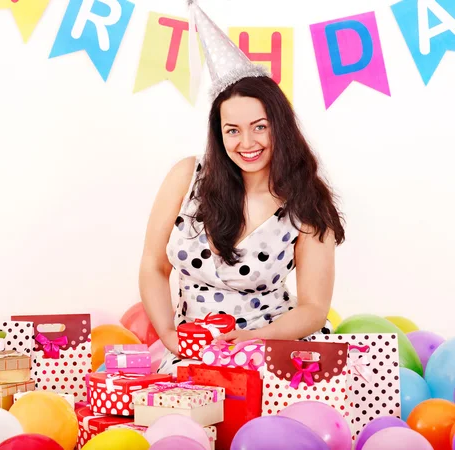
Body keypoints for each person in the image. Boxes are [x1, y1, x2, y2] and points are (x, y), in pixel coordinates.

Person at [139, 1, 345, 375]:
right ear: (219, 134)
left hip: (270, 347)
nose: (246, 142)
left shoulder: (306, 202)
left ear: (279, 125)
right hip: (192, 350)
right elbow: (154, 266)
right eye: (232, 130)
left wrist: (257, 338)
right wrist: (169, 334)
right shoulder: (187, 177)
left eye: (260, 126)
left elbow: (314, 307)